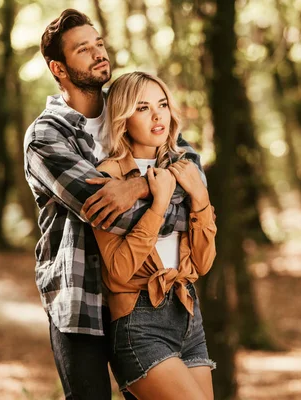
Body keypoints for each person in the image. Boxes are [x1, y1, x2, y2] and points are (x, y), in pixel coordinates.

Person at [23, 9, 206, 399]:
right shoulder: (46, 135)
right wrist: (161, 195)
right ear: (59, 68)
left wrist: (137, 188)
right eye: (83, 49)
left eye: (99, 44)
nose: (98, 53)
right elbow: (107, 211)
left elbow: (194, 174)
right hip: (83, 303)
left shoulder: (132, 105)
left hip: (150, 295)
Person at [93, 72, 216, 400]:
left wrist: (200, 199)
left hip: (187, 311)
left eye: (162, 104)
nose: (158, 115)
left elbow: (203, 262)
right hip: (138, 322)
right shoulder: (109, 178)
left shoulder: (186, 169)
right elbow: (118, 269)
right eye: (143, 107)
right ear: (123, 118)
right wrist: (158, 203)